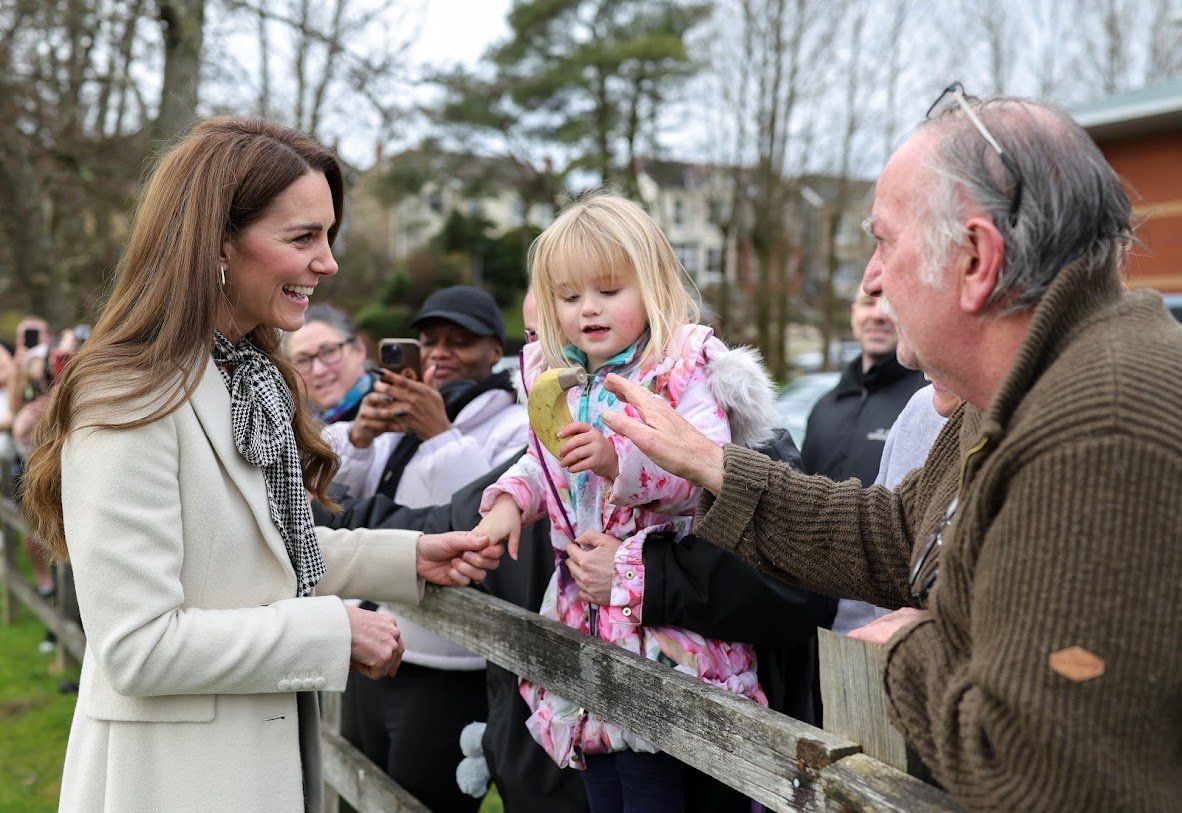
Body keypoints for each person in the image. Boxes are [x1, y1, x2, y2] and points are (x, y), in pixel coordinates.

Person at [600, 87, 1182, 811]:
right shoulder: (1029, 382)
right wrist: (712, 462)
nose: (871, 279)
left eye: (883, 240)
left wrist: (912, 644)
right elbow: (900, 533)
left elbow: (1030, 763)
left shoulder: (1098, 428)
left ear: (975, 259)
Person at [18, 116, 502, 813]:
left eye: (328, 236)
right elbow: (139, 645)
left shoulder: (249, 376)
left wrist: (411, 555)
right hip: (173, 779)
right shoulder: (129, 394)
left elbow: (262, 553)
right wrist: (332, 630)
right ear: (216, 244)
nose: (328, 262)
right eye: (303, 237)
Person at [475, 192, 768, 813]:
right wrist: (510, 500)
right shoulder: (563, 380)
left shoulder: (683, 373)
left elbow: (708, 472)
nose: (589, 310)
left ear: (653, 284)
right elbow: (548, 461)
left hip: (669, 639)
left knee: (655, 790)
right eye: (570, 295)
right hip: (592, 628)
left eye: (609, 290)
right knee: (602, 780)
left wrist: (619, 463)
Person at [323, 284, 526, 812]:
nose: (440, 352)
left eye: (460, 340)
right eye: (429, 340)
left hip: (449, 666)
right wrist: (362, 437)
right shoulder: (400, 415)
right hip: (376, 644)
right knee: (357, 791)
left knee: (420, 799)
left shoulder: (511, 424)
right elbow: (340, 502)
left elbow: (476, 518)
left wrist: (439, 432)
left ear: (492, 350)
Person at [801, 292, 925, 490]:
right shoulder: (824, 406)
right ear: (853, 313)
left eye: (890, 304)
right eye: (868, 303)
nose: (878, 315)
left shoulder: (928, 404)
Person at [286, 304, 377, 423]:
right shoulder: (299, 431)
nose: (318, 371)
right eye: (303, 360)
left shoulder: (394, 411)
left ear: (359, 349)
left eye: (329, 351)